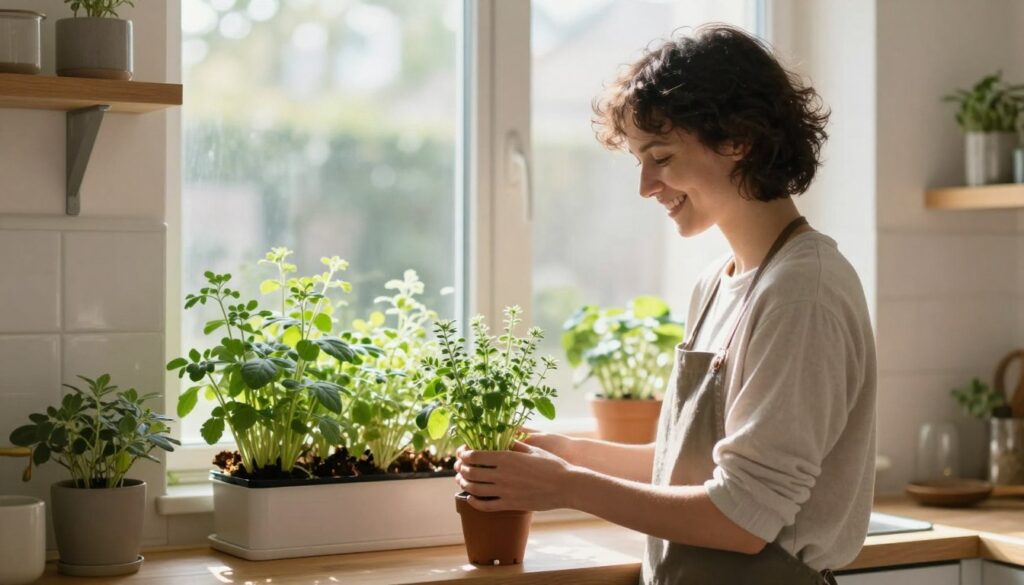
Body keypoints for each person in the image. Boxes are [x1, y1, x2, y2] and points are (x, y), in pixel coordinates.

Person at [454, 24, 876, 585]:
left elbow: (743, 518)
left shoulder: (804, 292)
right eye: (640, 160)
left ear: (736, 140)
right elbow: (685, 467)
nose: (646, 185)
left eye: (661, 156)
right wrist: (568, 453)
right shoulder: (718, 282)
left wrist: (565, 487)